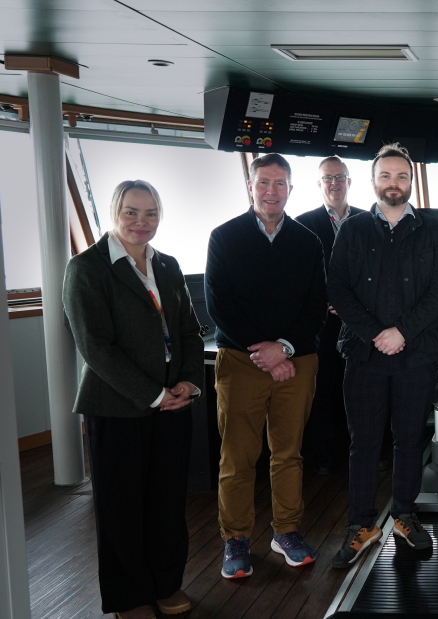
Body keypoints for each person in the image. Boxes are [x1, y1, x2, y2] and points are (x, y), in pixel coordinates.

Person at [63, 180, 204, 619]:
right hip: (117, 408)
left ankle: (165, 585)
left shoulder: (168, 265)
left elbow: (187, 331)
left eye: (151, 213)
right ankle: (129, 598)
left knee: (165, 502)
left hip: (173, 405)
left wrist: (187, 382)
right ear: (114, 213)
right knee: (122, 507)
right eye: (131, 212)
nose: (141, 223)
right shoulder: (87, 268)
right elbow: (95, 347)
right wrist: (153, 393)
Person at [328, 143, 438, 560]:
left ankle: (404, 516)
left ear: (411, 182)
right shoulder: (353, 229)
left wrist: (402, 331)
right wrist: (376, 334)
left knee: (409, 441)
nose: (394, 183)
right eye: (386, 176)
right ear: (373, 181)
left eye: (401, 176)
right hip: (364, 356)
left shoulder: (435, 229)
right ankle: (361, 525)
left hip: (416, 354)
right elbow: (339, 290)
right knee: (363, 444)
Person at [205, 153, 328, 579]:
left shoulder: (308, 241)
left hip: (297, 362)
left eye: (280, 184)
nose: (271, 191)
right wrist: (264, 352)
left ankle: (286, 531)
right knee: (238, 456)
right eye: (264, 183)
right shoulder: (224, 237)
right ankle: (235, 537)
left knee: (288, 453)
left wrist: (285, 349)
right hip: (241, 361)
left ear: (291, 190)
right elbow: (220, 305)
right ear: (250, 186)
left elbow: (316, 307)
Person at [295, 156, 365, 476]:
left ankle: (363, 451)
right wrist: (326, 302)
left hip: (362, 323)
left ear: (349, 182)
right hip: (321, 324)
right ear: (320, 184)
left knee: (360, 390)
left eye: (340, 177)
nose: (334, 184)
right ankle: (322, 455)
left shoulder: (369, 221)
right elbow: (298, 276)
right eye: (328, 179)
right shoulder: (301, 224)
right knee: (322, 389)